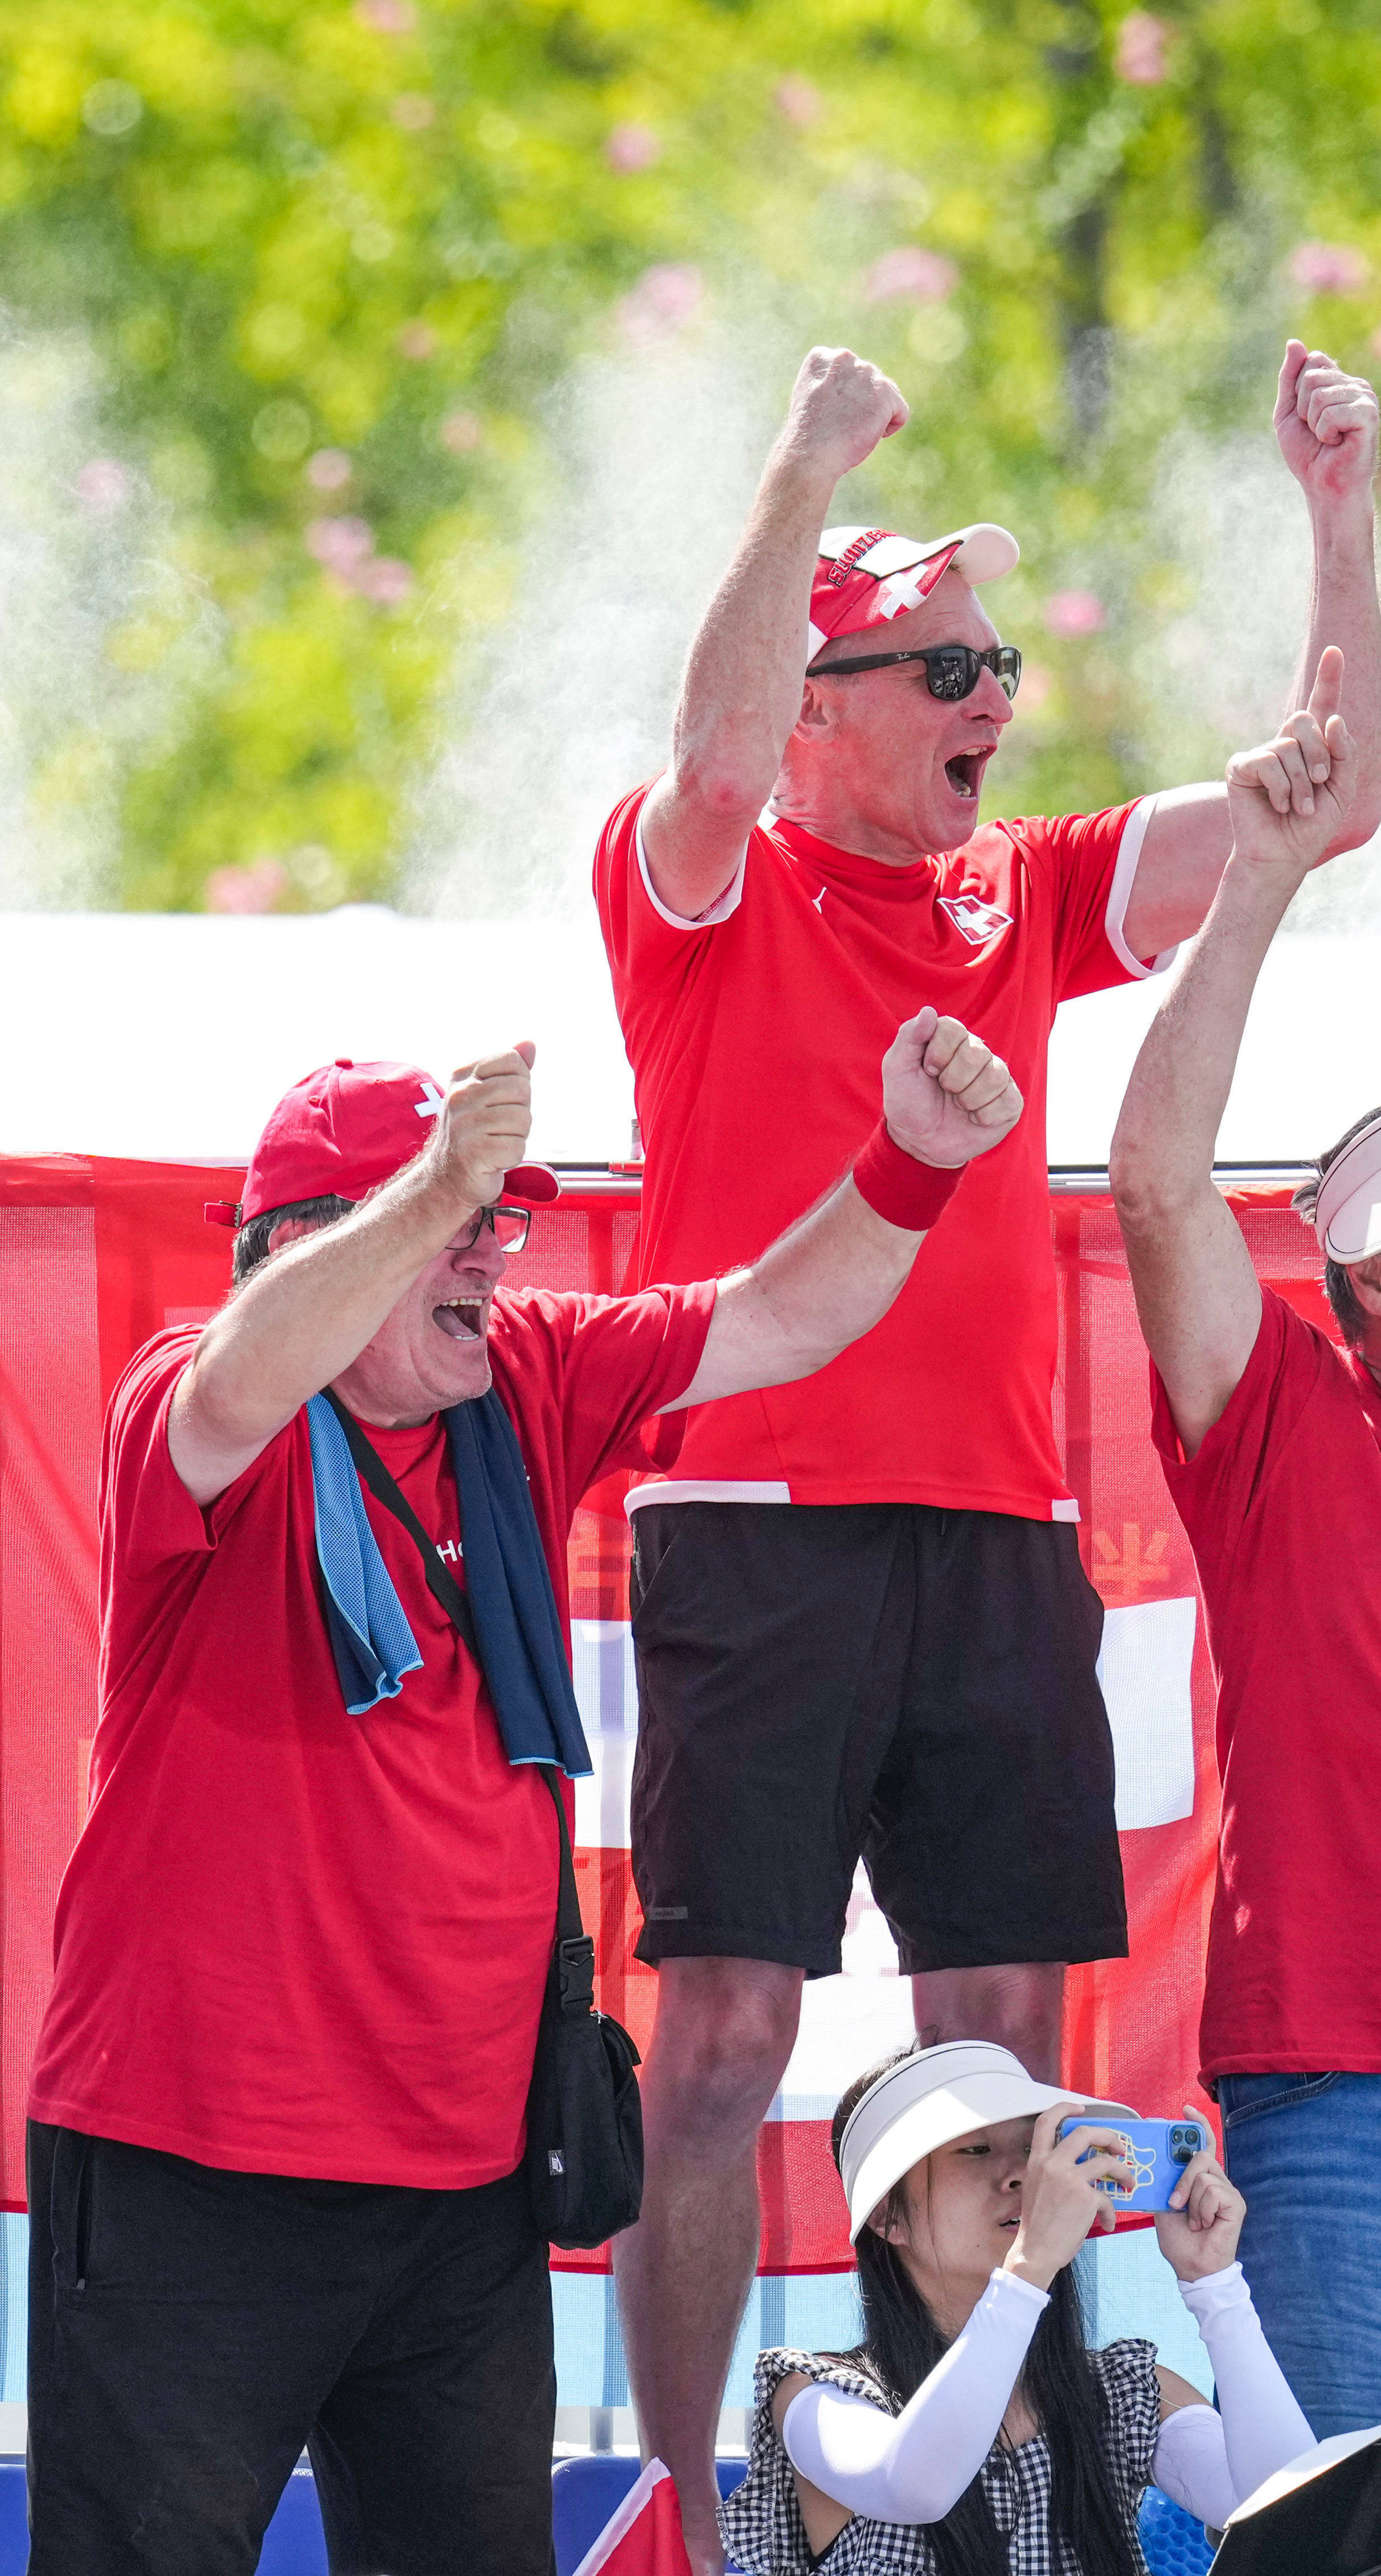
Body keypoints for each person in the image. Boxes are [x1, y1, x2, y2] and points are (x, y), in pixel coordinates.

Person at [600, 337, 1380, 2562]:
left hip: (993, 1534)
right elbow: (700, 744)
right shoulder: (705, 887)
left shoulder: (1013, 893)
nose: (994, 695)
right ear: (824, 699)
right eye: (945, 661)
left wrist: (1337, 516)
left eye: (1002, 658)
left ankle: (1015, 2491)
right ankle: (677, 2508)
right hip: (751, 1520)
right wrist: (795, 467)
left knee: (1009, 2064)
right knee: (723, 2048)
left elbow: (1323, 794)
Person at [27, 1016, 1026, 2574]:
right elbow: (238, 1382)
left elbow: (777, 1313)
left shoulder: (524, 1378)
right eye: (453, 1222)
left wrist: (912, 1161)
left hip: (462, 2188)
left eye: (497, 1218)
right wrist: (428, 1187)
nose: (489, 1251)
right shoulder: (197, 1392)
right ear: (304, 1245)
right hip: (196, 2169)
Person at [1107, 652, 1381, 2437]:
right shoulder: (1288, 1414)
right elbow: (1153, 1175)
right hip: (1333, 2074)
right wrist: (1264, 880)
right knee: (1336, 2518)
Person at [723, 2044, 1317, 2576]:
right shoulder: (816, 2392)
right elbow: (916, 2484)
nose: (1019, 2176)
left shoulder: (1122, 2391)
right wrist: (1028, 2266)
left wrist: (1214, 2285)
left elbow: (1290, 2519)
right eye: (976, 2150)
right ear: (887, 2218)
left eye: (1036, 2148)